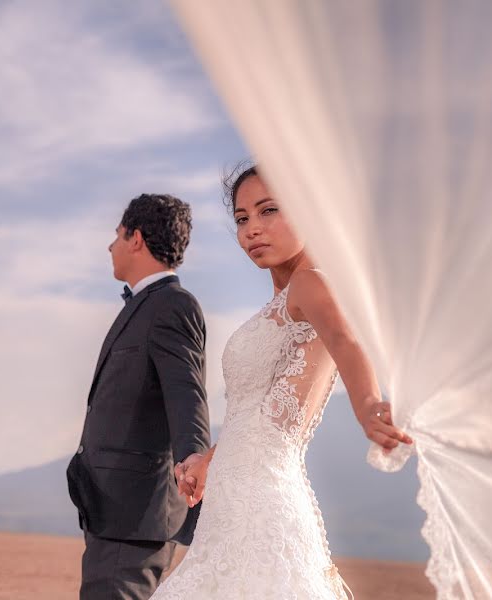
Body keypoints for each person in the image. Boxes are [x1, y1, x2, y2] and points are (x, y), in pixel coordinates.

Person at [150, 166, 412, 599]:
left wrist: (368, 406)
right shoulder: (279, 304)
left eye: (268, 211)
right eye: (242, 218)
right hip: (230, 509)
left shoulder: (312, 284)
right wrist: (208, 459)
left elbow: (346, 341)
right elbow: (259, 412)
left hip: (262, 505)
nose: (253, 229)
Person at [66, 193, 212, 599]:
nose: (110, 246)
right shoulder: (148, 304)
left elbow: (186, 391)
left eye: (117, 235)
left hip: (135, 512)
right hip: (114, 510)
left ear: (136, 238)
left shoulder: (172, 304)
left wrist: (193, 459)